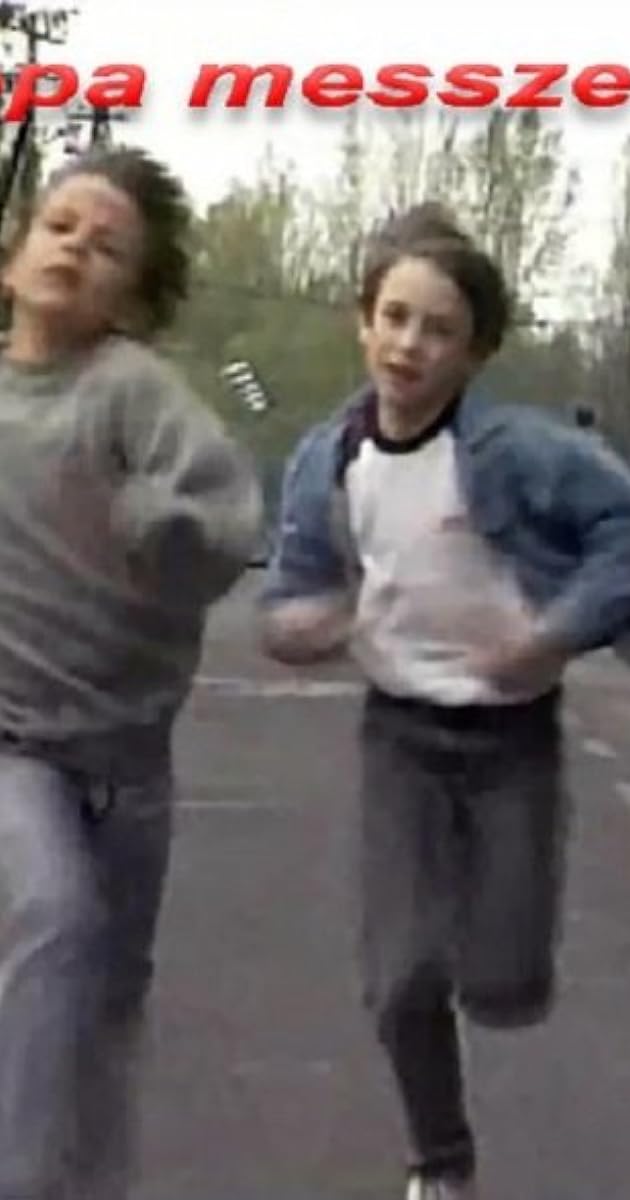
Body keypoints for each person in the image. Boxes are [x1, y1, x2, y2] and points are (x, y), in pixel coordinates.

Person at [259, 202, 630, 1200]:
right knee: (401, 976)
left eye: (438, 330)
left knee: (504, 987)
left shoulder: (520, 451)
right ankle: (442, 1163)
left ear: (475, 352)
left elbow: (622, 532)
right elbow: (286, 602)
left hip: (513, 739)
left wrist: (550, 637)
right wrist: (308, 627)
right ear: (363, 323)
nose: (409, 346)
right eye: (394, 318)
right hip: (401, 736)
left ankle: (498, 945)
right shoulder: (328, 462)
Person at [0, 146, 261, 1199]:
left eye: (107, 248)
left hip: (128, 760)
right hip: (14, 743)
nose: (75, 250)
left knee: (107, 996)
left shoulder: (134, 392)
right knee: (52, 918)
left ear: (135, 301)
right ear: (13, 256)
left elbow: (227, 525)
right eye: (59, 227)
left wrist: (173, 527)